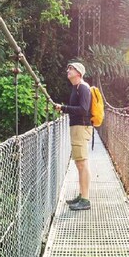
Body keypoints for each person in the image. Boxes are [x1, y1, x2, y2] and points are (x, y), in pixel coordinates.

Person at [55, 62, 92, 211]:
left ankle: (85, 200)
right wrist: (65, 109)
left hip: (81, 128)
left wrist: (64, 108)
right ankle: (82, 195)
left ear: (79, 73)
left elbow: (83, 109)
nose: (68, 70)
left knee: (82, 163)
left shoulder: (83, 87)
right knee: (79, 163)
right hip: (76, 128)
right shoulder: (75, 88)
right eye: (68, 67)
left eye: (71, 69)